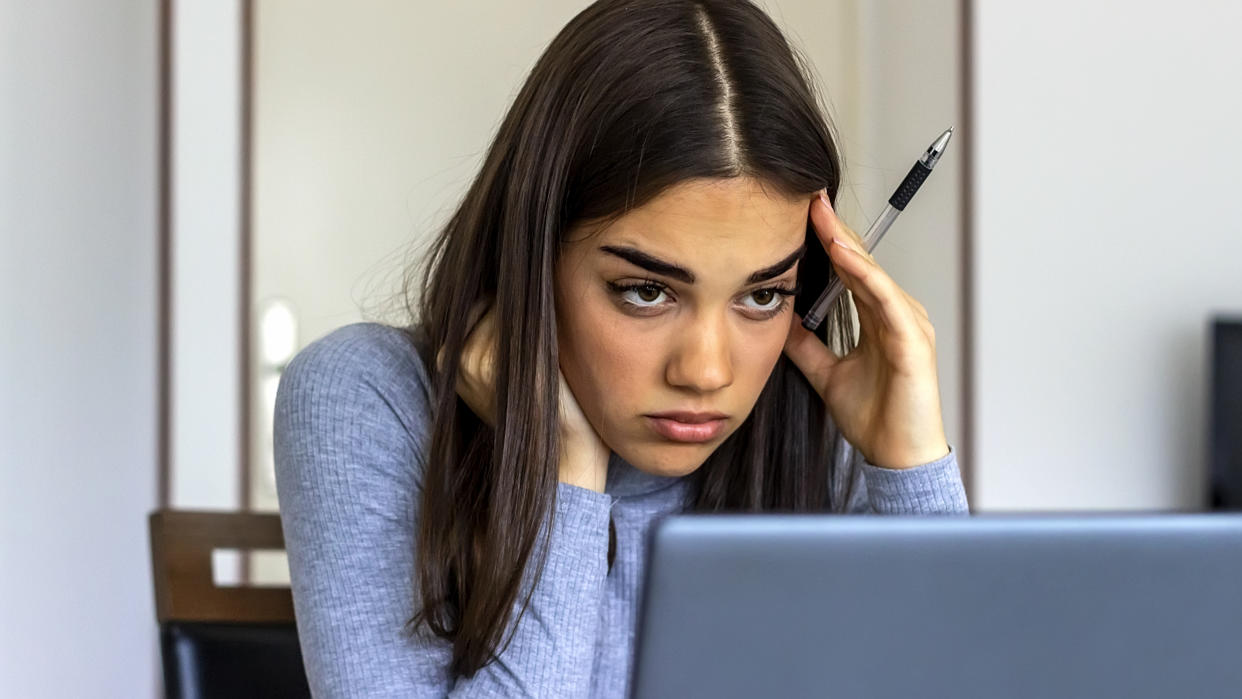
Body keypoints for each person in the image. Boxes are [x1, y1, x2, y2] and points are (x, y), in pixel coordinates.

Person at [273, 0, 969, 696]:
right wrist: (563, 469)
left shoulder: (814, 425)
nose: (706, 371)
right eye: (644, 290)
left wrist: (912, 469)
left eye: (762, 295)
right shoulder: (367, 397)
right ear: (534, 253)